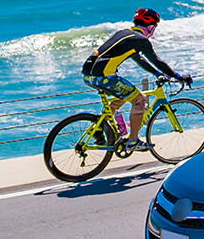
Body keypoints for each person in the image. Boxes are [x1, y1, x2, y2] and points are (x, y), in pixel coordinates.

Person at [81, 8, 190, 144]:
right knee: (140, 100)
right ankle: (133, 141)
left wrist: (157, 73)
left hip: (88, 75)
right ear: (150, 27)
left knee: (124, 96)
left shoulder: (124, 34)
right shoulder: (141, 40)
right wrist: (178, 76)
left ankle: (99, 128)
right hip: (104, 77)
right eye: (154, 27)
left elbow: (139, 59)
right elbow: (156, 60)